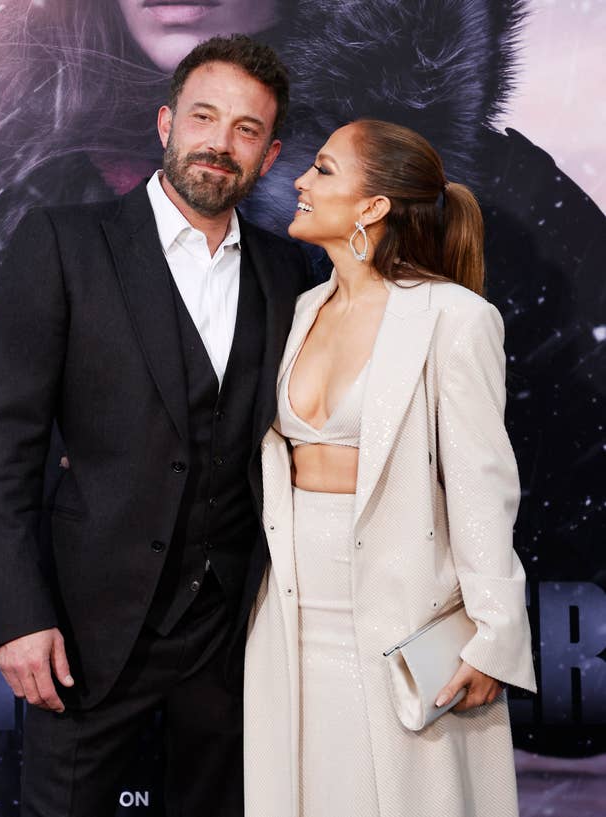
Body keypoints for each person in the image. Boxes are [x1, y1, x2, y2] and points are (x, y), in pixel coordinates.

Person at [0, 34, 310, 817]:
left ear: (269, 151)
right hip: (86, 632)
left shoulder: (288, 272)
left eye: (246, 129)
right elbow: (0, 453)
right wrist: (19, 617)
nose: (220, 144)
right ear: (165, 123)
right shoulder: (62, 244)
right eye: (204, 117)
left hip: (230, 637)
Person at [243, 119, 537, 817]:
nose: (301, 183)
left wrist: (494, 633)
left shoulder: (453, 318)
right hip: (285, 617)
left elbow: (481, 485)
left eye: (322, 170)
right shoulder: (298, 310)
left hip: (397, 621)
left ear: (373, 206)